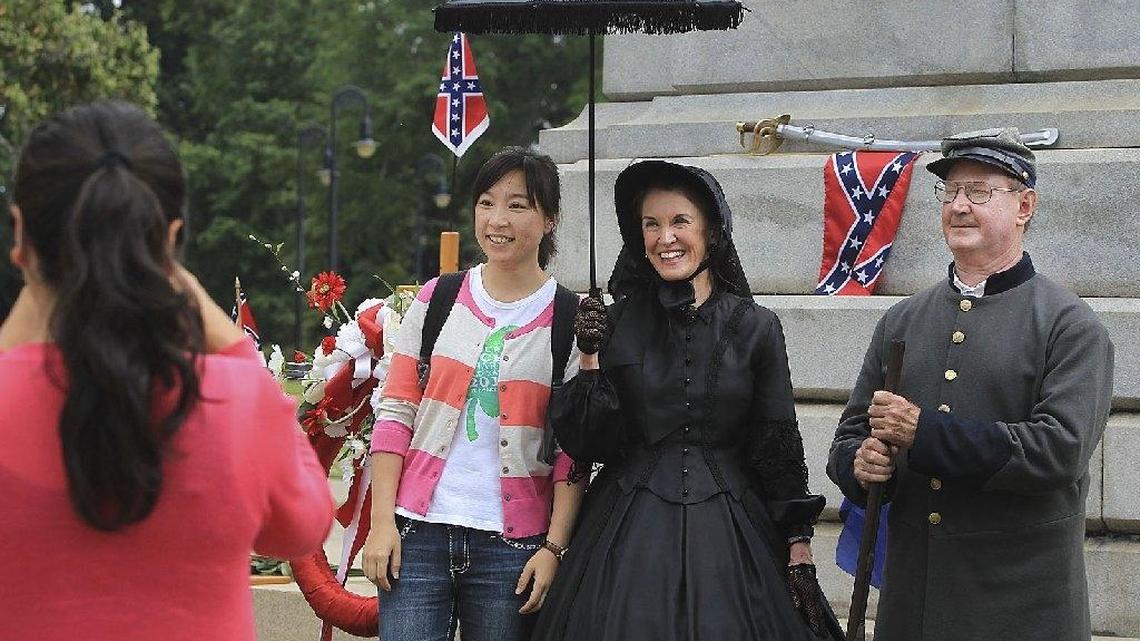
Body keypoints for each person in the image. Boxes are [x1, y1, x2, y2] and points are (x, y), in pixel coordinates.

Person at [0, 101, 334, 641]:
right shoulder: (234, 395)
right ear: (170, 239)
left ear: (21, 236)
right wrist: (236, 355)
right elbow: (302, 526)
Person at [532, 160, 842, 641]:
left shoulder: (757, 327)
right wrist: (589, 358)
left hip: (734, 534)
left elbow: (776, 439)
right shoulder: (614, 322)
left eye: (680, 221)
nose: (664, 237)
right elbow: (590, 445)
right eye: (651, 224)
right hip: (624, 533)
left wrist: (798, 544)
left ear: (712, 231)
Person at [827, 128, 1114, 641]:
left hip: (1019, 602)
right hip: (914, 599)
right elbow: (850, 435)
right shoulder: (901, 321)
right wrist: (863, 466)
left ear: (1024, 205)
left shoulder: (1069, 326)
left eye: (979, 191)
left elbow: (1059, 450)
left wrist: (925, 433)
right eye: (950, 192)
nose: (959, 205)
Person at [362, 147, 586, 641]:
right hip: (416, 536)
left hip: (513, 550)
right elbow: (395, 413)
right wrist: (382, 523)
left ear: (549, 219)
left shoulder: (571, 320)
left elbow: (575, 449)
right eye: (486, 203)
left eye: (517, 205)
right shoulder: (437, 299)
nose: (497, 220)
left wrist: (554, 548)